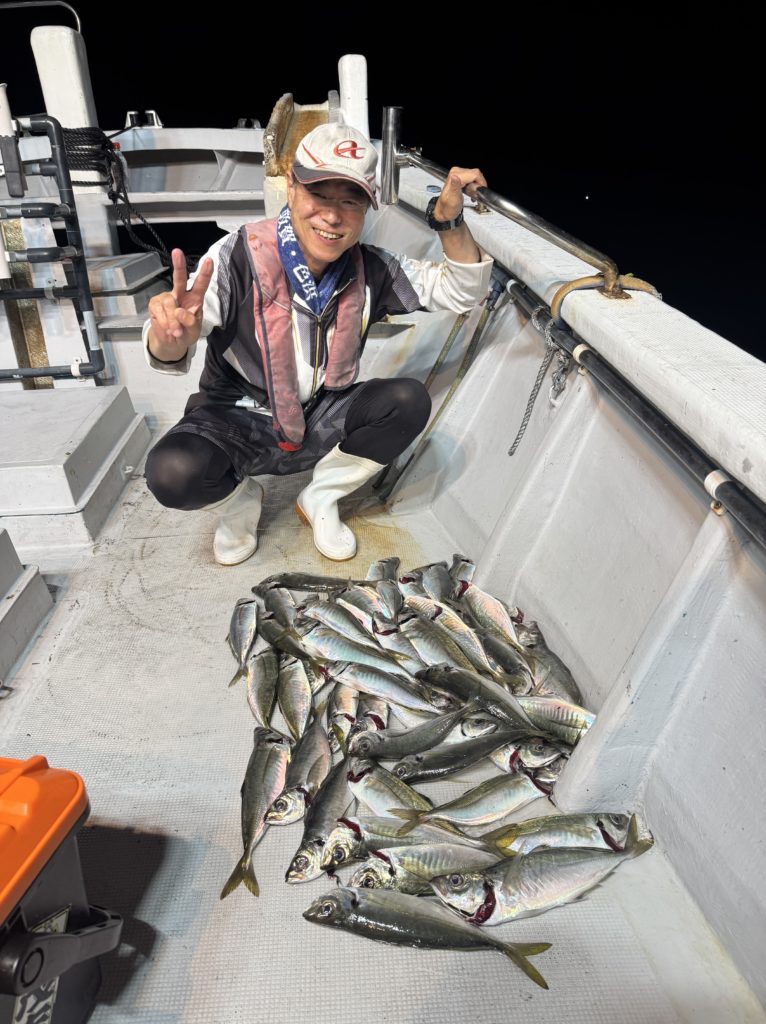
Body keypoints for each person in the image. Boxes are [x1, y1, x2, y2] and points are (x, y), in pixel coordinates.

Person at [143, 122, 493, 565]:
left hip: (321, 415)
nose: (332, 216)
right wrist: (170, 337)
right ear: (291, 188)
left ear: (366, 209)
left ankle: (321, 496)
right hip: (237, 416)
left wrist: (448, 220)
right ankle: (239, 502)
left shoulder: (372, 268)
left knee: (407, 401)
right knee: (173, 473)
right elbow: (168, 347)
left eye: (350, 201)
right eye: (319, 195)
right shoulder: (235, 257)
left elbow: (463, 291)